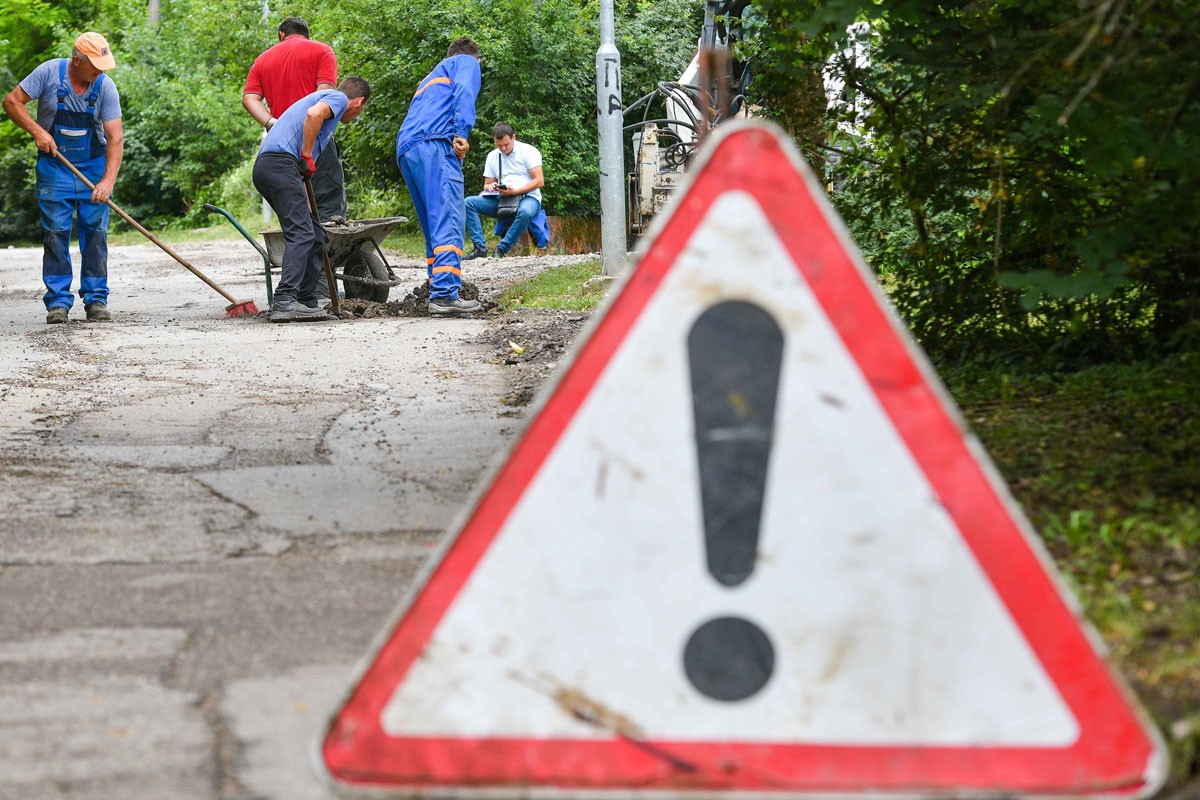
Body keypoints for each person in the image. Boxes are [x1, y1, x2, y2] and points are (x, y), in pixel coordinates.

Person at [3, 33, 123, 324]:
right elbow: (12, 102)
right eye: (95, 65)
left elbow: (115, 138)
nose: (100, 71)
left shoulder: (105, 87)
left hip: (93, 168)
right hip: (54, 167)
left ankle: (96, 300)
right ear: (77, 61)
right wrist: (37, 131)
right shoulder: (49, 73)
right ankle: (57, 302)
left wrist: (107, 182)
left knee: (95, 232)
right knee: (56, 232)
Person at [252, 77, 370, 323]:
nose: (358, 115)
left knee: (316, 235)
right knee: (302, 233)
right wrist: (306, 156)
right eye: (361, 110)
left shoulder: (329, 113)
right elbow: (313, 114)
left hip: (273, 167)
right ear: (359, 102)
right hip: (280, 164)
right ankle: (284, 300)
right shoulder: (336, 98)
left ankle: (306, 300)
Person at [394, 38, 482, 315]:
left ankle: (437, 284)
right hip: (435, 144)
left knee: (433, 220)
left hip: (408, 147)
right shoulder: (466, 62)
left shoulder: (430, 77)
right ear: (474, 58)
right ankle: (444, 294)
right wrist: (462, 134)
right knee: (448, 216)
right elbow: (465, 92)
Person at [463, 122, 547, 259]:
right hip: (503, 199)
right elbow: (486, 185)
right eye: (499, 145)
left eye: (506, 144)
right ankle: (479, 248)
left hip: (529, 197)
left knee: (525, 211)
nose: (503, 148)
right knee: (468, 203)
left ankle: (502, 249)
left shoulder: (528, 151)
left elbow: (539, 181)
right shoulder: (492, 156)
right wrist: (492, 187)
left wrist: (515, 191)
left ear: (514, 137)